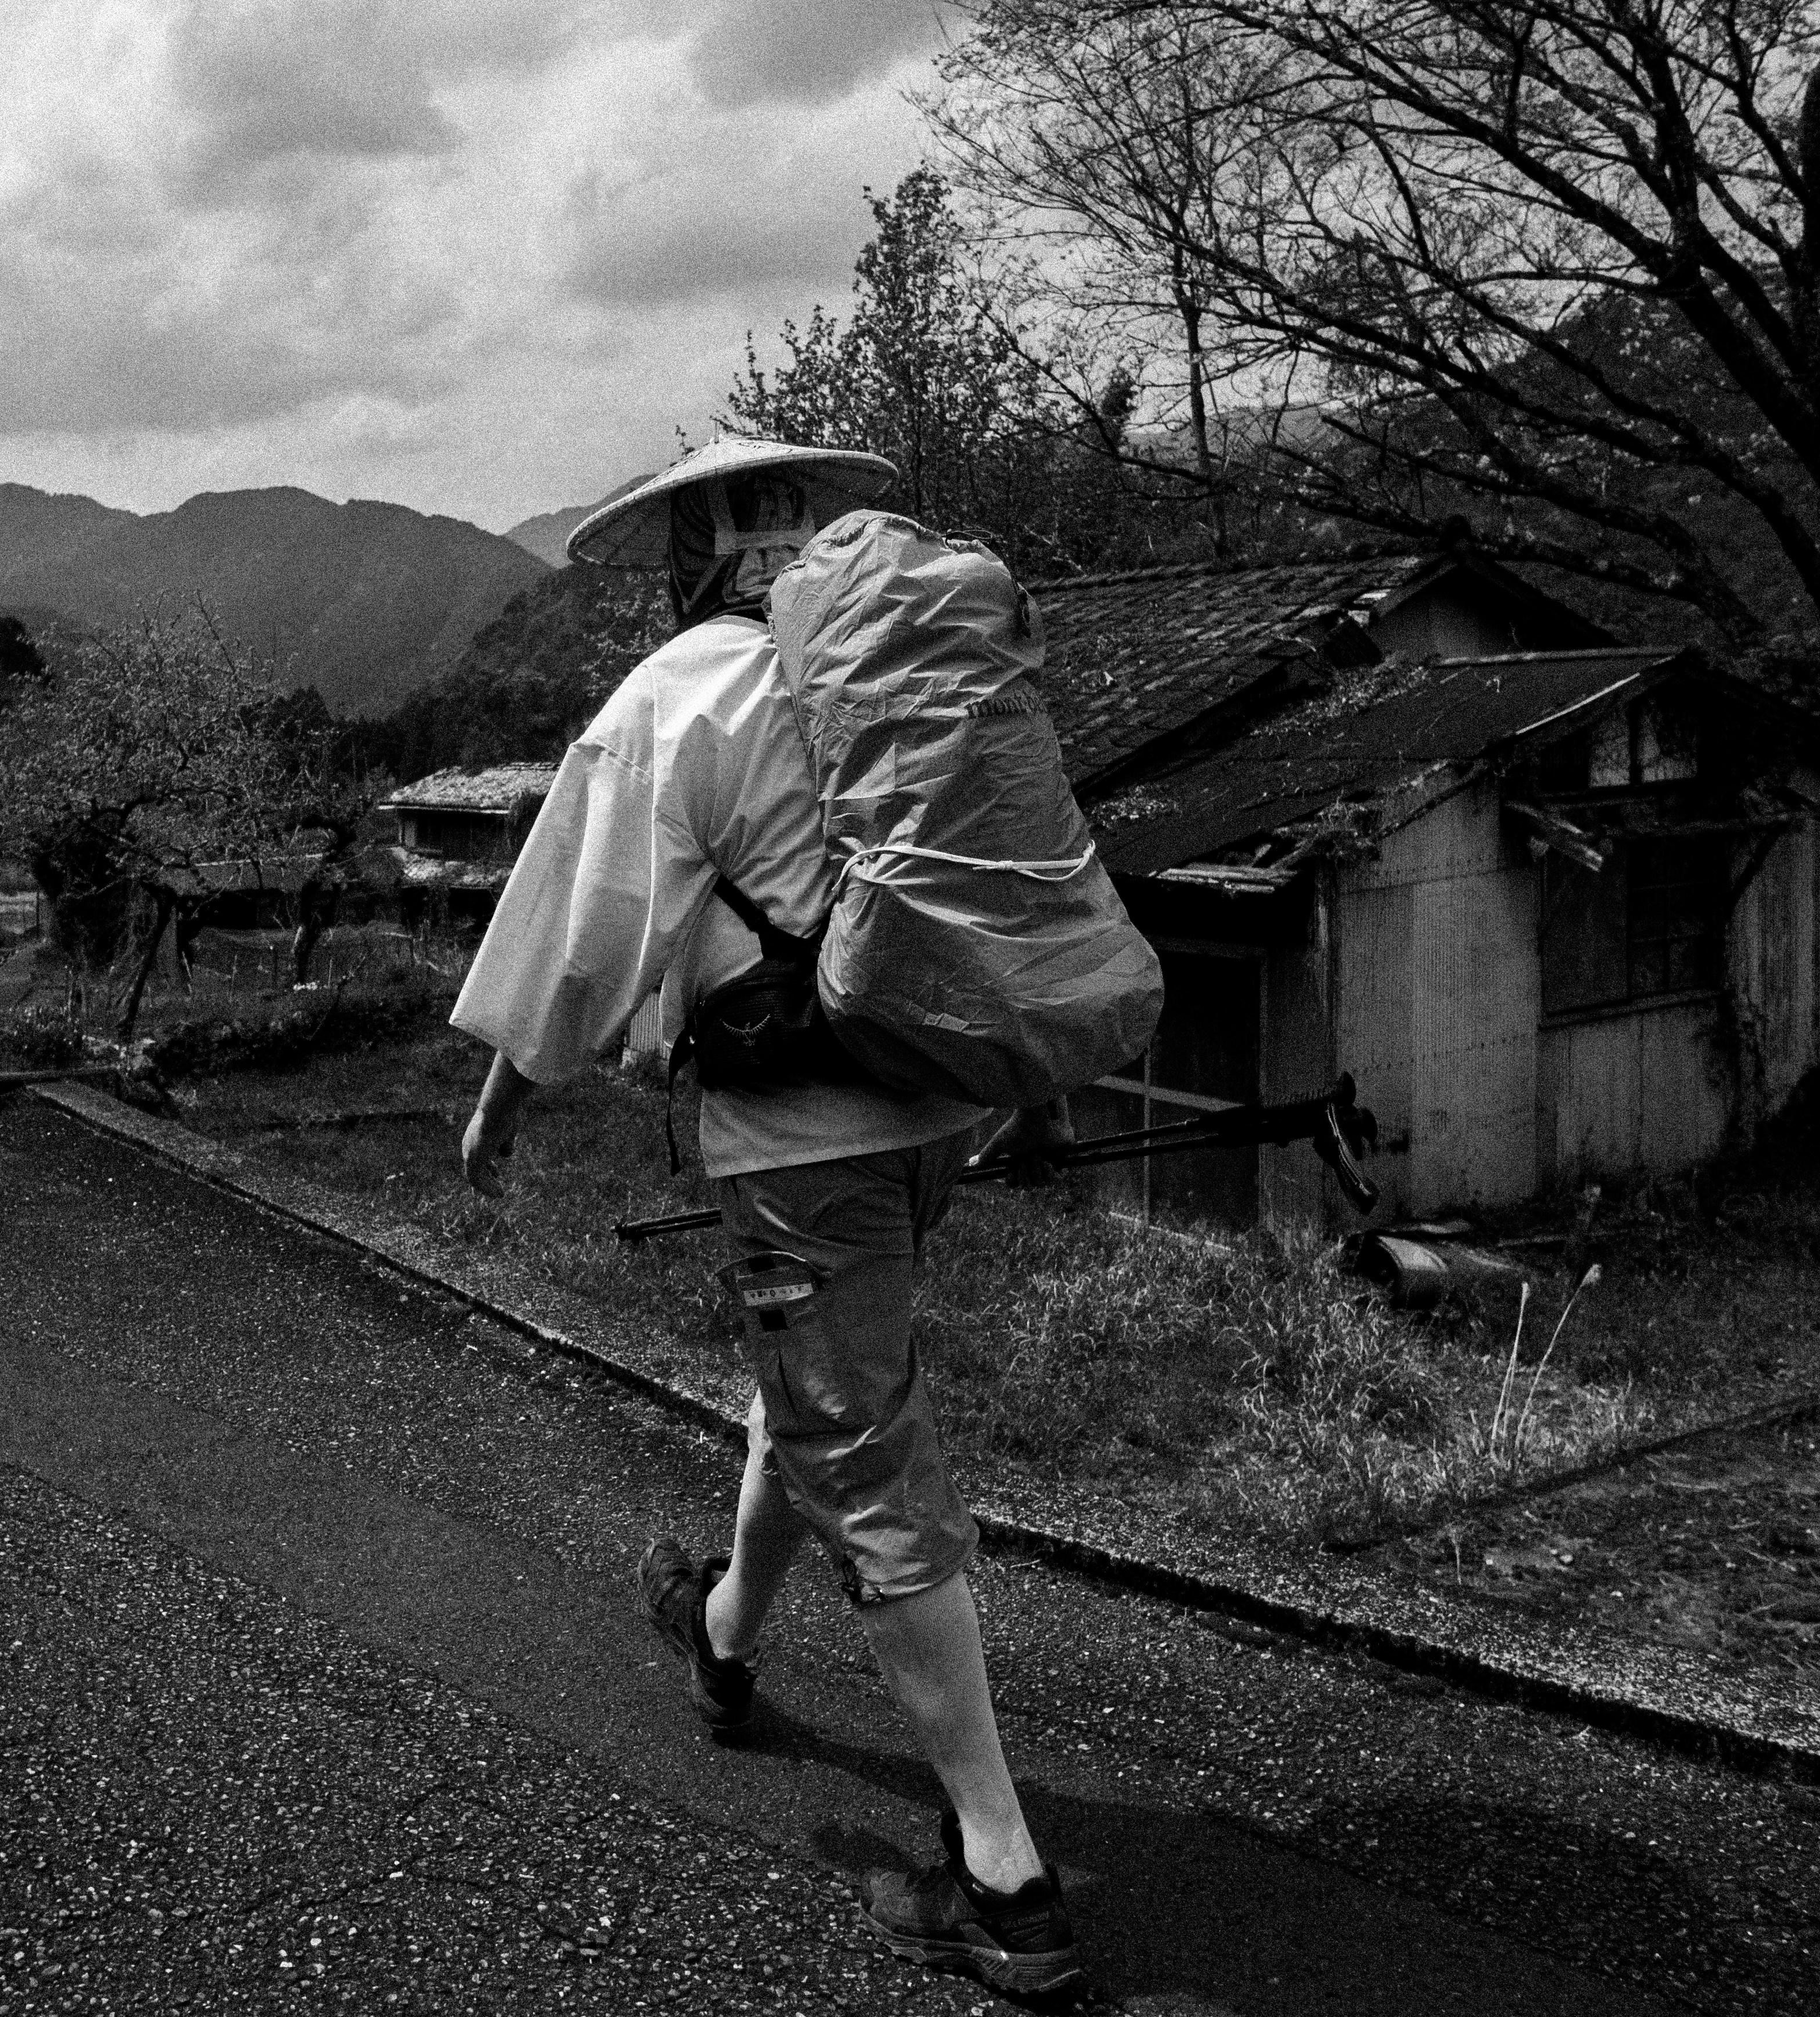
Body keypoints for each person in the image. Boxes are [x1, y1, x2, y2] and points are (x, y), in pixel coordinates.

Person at [450, 438, 1085, 2001]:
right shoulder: (915, 658)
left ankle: (1004, 1876)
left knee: (858, 1448)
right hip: (941, 1096)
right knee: (809, 1391)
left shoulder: (684, 689)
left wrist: (501, 1102)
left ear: (691, 554)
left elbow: (579, 927)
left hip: (799, 1135)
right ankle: (725, 1636)